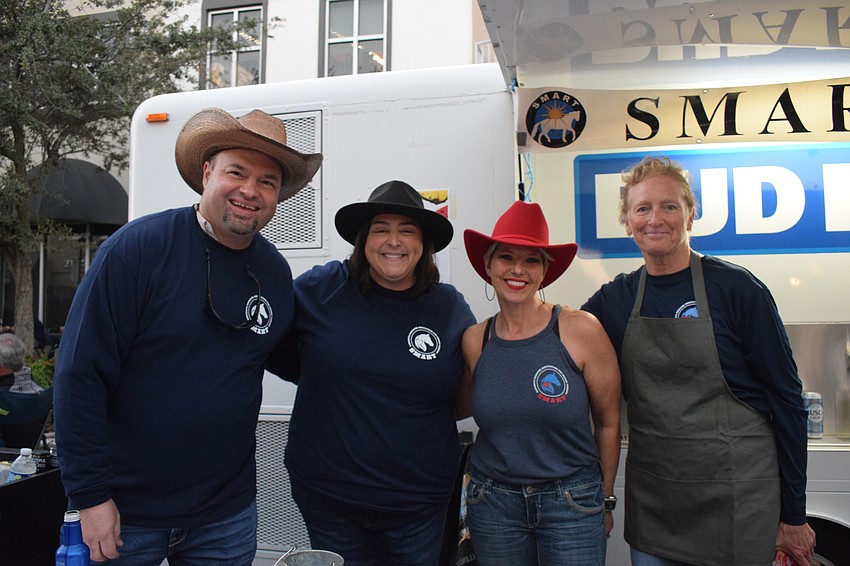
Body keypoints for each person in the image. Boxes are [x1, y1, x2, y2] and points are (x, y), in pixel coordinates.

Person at [53, 107, 322, 564]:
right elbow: (79, 376)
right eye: (236, 172)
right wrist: (90, 497)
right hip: (123, 514)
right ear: (206, 174)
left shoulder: (274, 271)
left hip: (225, 516)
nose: (249, 191)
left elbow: (298, 358)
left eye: (267, 182)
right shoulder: (138, 250)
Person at [581, 156, 817, 566]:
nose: (656, 218)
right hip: (658, 505)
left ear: (690, 215)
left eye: (669, 206)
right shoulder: (616, 298)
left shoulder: (737, 288)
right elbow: (560, 343)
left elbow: (788, 402)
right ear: (627, 222)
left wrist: (794, 515)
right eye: (642, 208)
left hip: (738, 503)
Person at [266, 180, 476, 566]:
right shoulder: (321, 288)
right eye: (381, 229)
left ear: (424, 243)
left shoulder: (448, 307)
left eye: (407, 230)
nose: (393, 241)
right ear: (363, 239)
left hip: (418, 503)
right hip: (330, 498)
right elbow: (271, 345)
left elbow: (466, 387)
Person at [458, 201, 622, 566]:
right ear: (488, 264)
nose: (517, 269)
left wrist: (606, 499)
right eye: (506, 257)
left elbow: (609, 424)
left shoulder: (581, 330)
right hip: (493, 504)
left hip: (572, 502)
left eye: (531, 260)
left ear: (545, 271)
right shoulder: (474, 339)